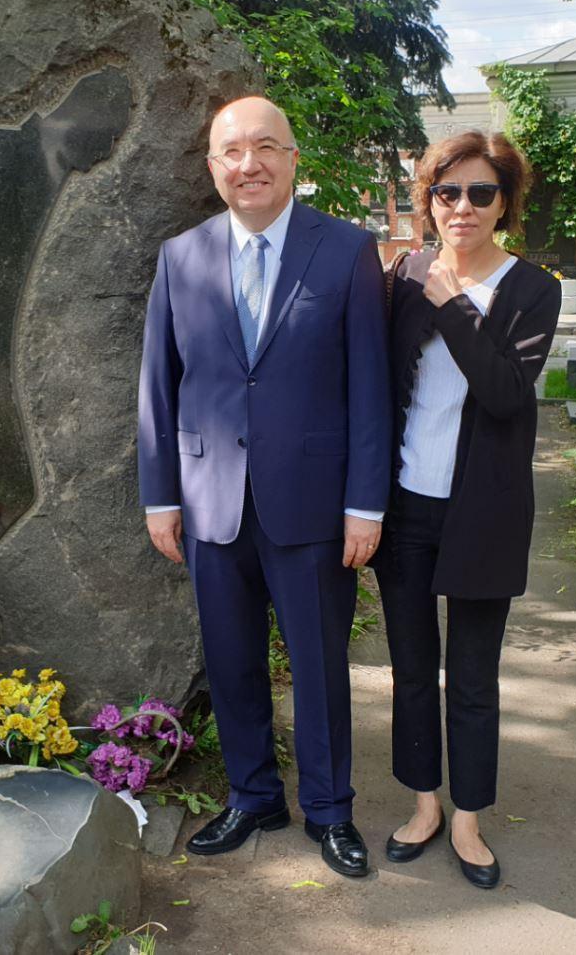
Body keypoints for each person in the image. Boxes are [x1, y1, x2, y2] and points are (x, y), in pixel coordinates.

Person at [137, 96, 391, 877]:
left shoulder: (345, 250)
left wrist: (364, 501)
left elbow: (369, 387)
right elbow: (159, 383)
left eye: (264, 148)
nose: (248, 164)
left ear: (291, 158)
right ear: (213, 168)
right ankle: (252, 796)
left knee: (317, 663)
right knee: (230, 659)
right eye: (231, 152)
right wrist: (160, 494)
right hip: (210, 502)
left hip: (315, 506)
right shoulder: (180, 257)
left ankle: (327, 809)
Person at [368, 131, 561, 889]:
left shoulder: (531, 288)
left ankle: (469, 818)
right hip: (407, 503)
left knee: (472, 678)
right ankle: (423, 805)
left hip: (483, 511)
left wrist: (452, 303)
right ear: (430, 199)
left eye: (481, 192)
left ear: (504, 202)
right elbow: (380, 387)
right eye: (447, 192)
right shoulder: (403, 274)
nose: (463, 207)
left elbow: (506, 392)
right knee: (412, 669)